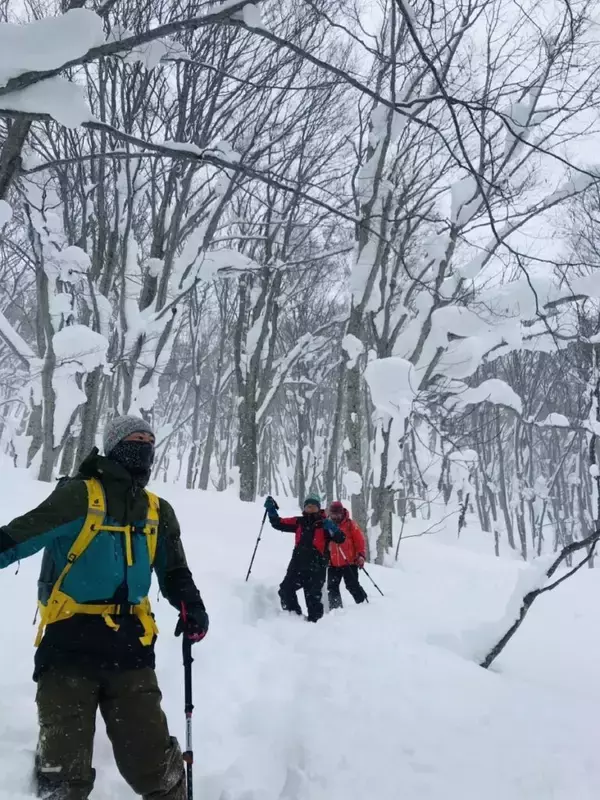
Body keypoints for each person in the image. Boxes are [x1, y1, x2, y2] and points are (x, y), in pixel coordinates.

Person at [0, 415, 208, 800]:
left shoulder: (158, 511)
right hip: (68, 649)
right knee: (63, 775)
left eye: (149, 438)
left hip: (130, 648)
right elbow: (19, 536)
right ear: (114, 446)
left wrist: (190, 605)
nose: (144, 444)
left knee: (153, 765)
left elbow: (174, 569)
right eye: (135, 437)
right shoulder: (78, 495)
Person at [264, 492, 345, 622]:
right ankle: (294, 619)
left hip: (317, 568)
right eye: (308, 505)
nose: (311, 508)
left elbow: (341, 538)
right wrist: (271, 510)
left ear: (319, 507)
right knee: (285, 590)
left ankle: (316, 628)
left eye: (314, 505)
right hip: (297, 565)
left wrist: (333, 529)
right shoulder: (299, 522)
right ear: (304, 507)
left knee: (313, 600)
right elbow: (278, 523)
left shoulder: (324, 524)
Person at [327, 501, 368, 609]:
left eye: (338, 514)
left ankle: (363, 604)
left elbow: (360, 541)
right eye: (333, 514)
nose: (336, 517)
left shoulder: (350, 524)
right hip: (333, 563)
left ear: (342, 513)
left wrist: (361, 556)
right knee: (332, 587)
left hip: (349, 562)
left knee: (352, 585)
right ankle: (336, 609)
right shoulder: (326, 525)